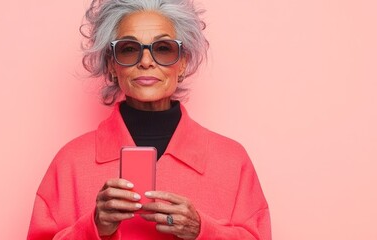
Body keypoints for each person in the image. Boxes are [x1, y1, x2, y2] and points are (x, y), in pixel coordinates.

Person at [26, 0, 271, 239]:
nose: (145, 61)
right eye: (129, 48)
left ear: (183, 62)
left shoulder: (231, 159)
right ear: (112, 64)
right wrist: (94, 228)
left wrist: (202, 231)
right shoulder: (71, 161)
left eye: (163, 48)